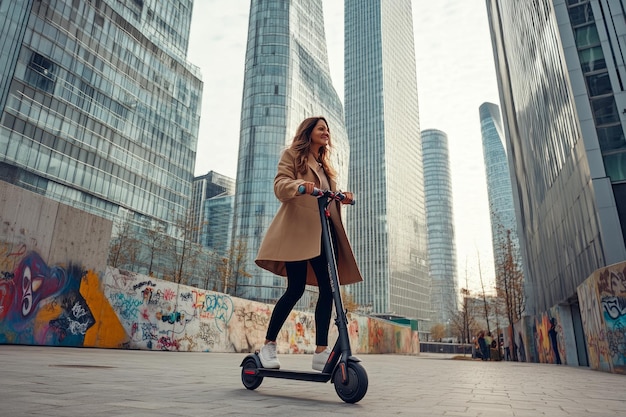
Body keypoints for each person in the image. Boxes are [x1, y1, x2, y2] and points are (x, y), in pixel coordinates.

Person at [255, 116, 363, 371]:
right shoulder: (292, 155)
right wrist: (299, 186)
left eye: (328, 129)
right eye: (321, 128)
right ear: (309, 132)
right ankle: (268, 346)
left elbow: (327, 196)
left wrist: (343, 196)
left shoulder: (326, 166)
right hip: (297, 232)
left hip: (322, 235)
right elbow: (280, 185)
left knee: (328, 289)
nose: (326, 132)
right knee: (295, 289)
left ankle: (321, 350)